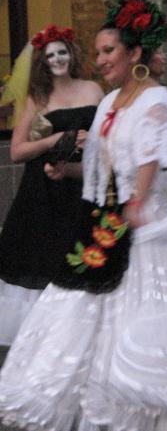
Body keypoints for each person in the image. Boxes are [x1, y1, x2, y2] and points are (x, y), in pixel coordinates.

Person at [0, 0, 167, 431]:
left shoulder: (155, 100)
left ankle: (150, 411)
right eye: (97, 52)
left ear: (135, 53)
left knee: (147, 337)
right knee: (78, 324)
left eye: (109, 50)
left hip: (146, 237)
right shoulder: (110, 104)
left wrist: (154, 194)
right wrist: (69, 170)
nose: (100, 60)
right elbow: (105, 164)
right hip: (102, 231)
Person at [0, 24, 103, 346]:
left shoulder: (93, 90)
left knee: (85, 256)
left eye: (62, 52)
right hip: (44, 191)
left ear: (70, 55)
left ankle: (82, 333)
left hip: (84, 186)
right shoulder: (37, 98)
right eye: (50, 55)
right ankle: (44, 340)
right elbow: (17, 151)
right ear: (42, 62)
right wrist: (57, 139)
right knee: (44, 257)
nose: (57, 59)